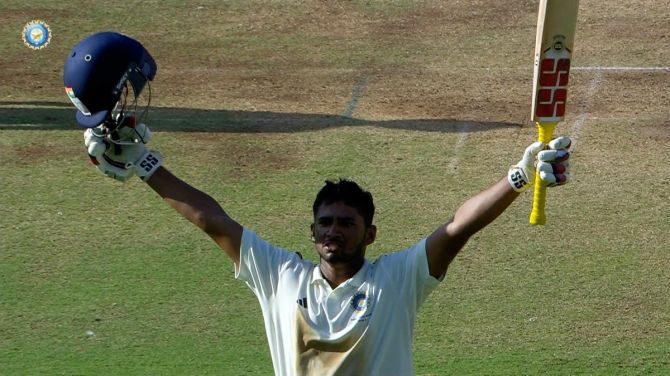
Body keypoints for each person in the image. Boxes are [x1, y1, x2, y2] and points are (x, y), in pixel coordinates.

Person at [64, 32, 571, 376]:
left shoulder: (397, 280)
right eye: (326, 222)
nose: (335, 230)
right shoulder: (280, 276)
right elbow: (213, 220)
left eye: (347, 223)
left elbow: (458, 228)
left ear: (370, 234)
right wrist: (149, 168)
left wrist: (520, 175)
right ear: (312, 232)